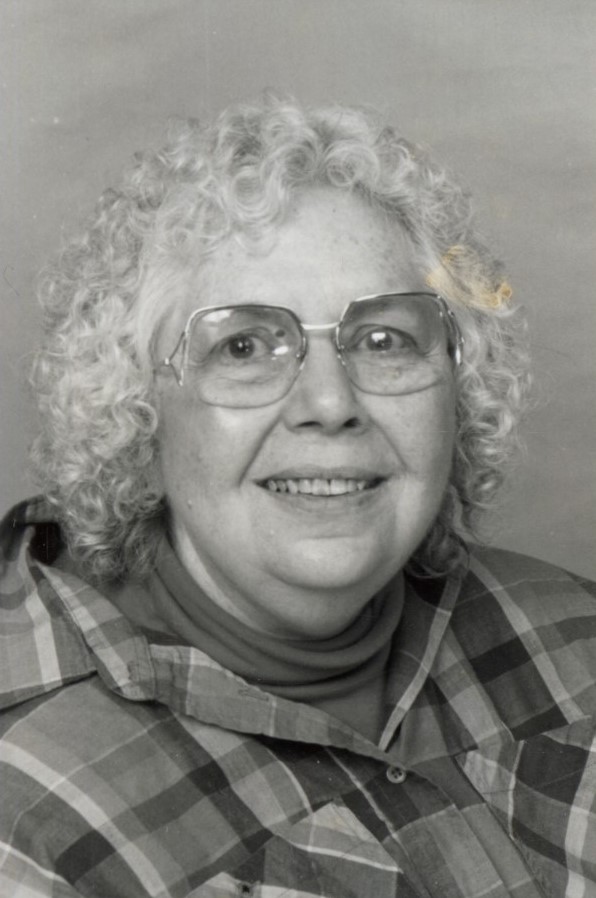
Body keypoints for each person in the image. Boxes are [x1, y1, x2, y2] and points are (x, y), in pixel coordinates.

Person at [1, 95, 594, 898]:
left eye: (384, 340)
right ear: (137, 415)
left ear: (458, 391)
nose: (329, 401)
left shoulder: (573, 639)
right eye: (243, 346)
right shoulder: (30, 816)